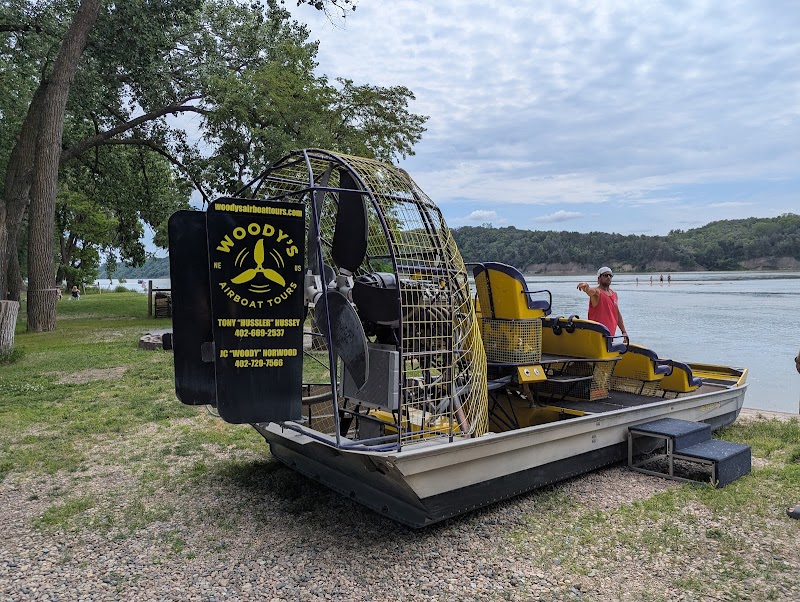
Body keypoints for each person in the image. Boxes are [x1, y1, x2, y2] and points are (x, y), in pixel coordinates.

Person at [577, 267, 628, 339]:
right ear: (599, 278)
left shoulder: (614, 294)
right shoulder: (597, 292)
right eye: (605, 275)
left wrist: (623, 331)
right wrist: (586, 287)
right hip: (596, 337)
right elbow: (590, 291)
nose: (608, 277)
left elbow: (617, 314)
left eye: (610, 276)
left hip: (610, 336)